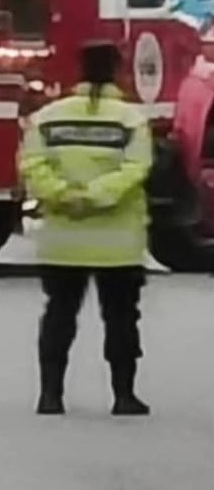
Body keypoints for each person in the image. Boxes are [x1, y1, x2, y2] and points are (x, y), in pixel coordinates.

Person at [18, 39, 153, 417]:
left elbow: (32, 165)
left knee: (59, 313)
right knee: (121, 317)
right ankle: (124, 396)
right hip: (118, 244)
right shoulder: (130, 119)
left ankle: (50, 396)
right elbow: (136, 168)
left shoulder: (48, 117)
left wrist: (64, 195)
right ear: (117, 70)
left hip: (64, 239)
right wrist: (96, 195)